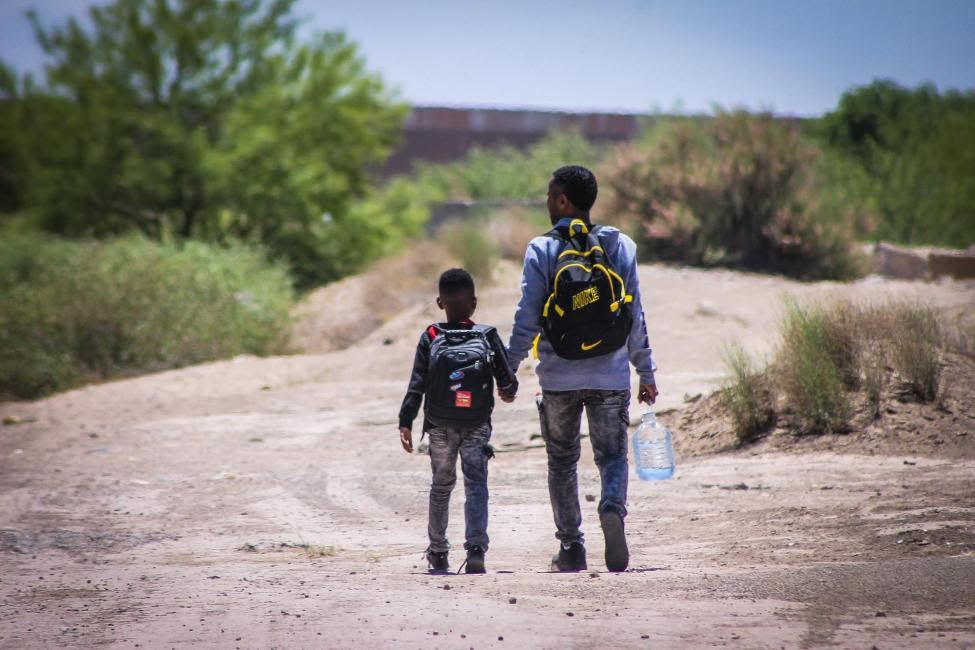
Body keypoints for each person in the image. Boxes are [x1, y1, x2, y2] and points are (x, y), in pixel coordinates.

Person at [507, 165, 658, 573]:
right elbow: (635, 315)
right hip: (610, 377)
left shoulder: (542, 249)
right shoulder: (620, 244)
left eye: (549, 196)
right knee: (612, 457)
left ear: (562, 200)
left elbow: (528, 317)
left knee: (561, 460)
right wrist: (646, 372)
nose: (546, 203)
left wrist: (508, 367)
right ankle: (611, 507)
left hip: (557, 378)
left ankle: (572, 548)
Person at [398, 268, 518, 574]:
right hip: (477, 422)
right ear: (474, 303)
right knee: (476, 485)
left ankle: (438, 551)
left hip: (438, 424)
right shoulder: (487, 335)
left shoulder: (432, 335)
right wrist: (506, 391)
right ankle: (476, 547)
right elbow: (509, 383)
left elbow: (417, 382)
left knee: (441, 486)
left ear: (440, 303)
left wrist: (406, 420)